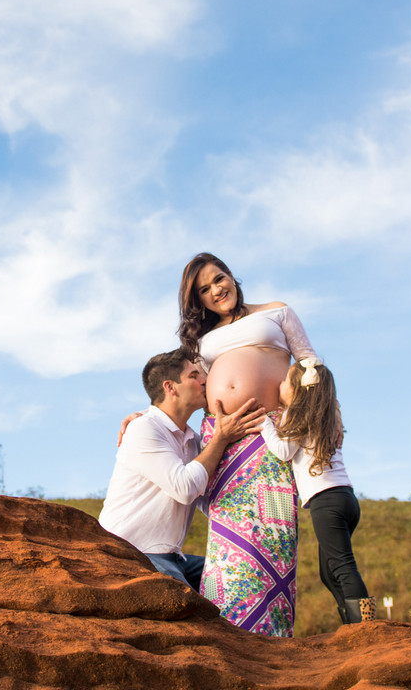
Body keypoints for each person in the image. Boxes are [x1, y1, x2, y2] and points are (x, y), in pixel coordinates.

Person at [177, 252, 319, 636]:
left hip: (270, 438)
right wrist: (148, 415)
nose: (215, 290)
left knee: (274, 533)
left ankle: (271, 637)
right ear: (199, 302)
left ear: (233, 277)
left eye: (219, 279)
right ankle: (229, 635)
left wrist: (324, 420)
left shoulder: (276, 311)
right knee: (228, 548)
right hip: (225, 444)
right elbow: (182, 386)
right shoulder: (202, 341)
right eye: (204, 290)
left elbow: (311, 366)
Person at [99, 349, 264, 588]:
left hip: (173, 557)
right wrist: (221, 438)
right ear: (170, 387)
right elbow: (185, 488)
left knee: (236, 580)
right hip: (131, 552)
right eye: (194, 375)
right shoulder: (143, 429)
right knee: (184, 607)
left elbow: (206, 501)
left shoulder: (192, 440)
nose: (205, 381)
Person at [262, 358, 376, 624]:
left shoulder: (297, 414)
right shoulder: (325, 416)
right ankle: (353, 622)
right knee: (329, 572)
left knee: (343, 566)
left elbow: (283, 451)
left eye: (284, 381)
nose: (279, 384)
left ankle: (367, 627)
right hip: (346, 499)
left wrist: (264, 424)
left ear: (296, 390)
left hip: (327, 501)